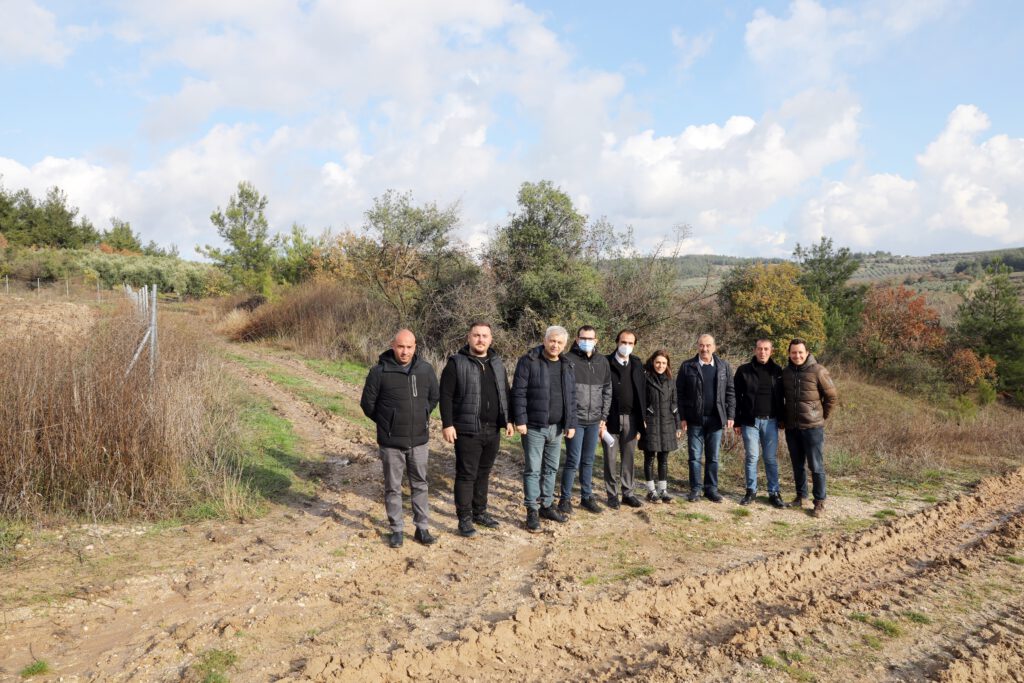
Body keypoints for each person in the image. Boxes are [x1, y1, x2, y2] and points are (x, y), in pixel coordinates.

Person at [360, 329, 440, 548]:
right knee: (393, 487)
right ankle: (396, 530)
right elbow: (367, 404)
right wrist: (387, 422)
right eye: (401, 347)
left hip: (419, 441)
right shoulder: (379, 371)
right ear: (393, 346)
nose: (405, 352)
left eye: (409, 347)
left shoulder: (425, 369)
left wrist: (423, 414)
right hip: (391, 443)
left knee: (420, 484)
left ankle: (422, 528)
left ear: (415, 347)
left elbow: (434, 397)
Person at [439, 322, 514, 538]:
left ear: (491, 339)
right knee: (466, 474)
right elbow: (445, 395)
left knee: (484, 472)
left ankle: (480, 512)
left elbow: (505, 392)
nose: (480, 339)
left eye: (484, 336)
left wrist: (509, 420)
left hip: (493, 429)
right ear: (469, 338)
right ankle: (464, 518)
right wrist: (447, 424)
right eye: (476, 335)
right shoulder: (456, 363)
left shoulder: (497, 363)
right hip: (467, 430)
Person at [511, 325, 577, 533]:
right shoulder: (529, 361)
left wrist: (571, 423)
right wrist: (520, 420)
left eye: (559, 342)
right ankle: (532, 509)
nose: (555, 345)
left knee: (551, 468)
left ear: (565, 345)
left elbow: (571, 397)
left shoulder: (567, 365)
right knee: (533, 469)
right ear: (545, 340)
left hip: (557, 428)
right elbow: (518, 392)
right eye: (552, 340)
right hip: (533, 426)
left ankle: (547, 505)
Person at [781, 338, 838, 517]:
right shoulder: (786, 372)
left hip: (813, 428)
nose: (797, 355)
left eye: (800, 352)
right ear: (789, 353)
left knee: (816, 466)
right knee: (797, 465)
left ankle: (819, 502)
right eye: (793, 352)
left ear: (807, 353)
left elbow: (831, 397)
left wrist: (821, 416)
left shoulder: (818, 371)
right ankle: (801, 496)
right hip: (792, 428)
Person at [557, 325, 611, 515]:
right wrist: (568, 419)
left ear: (596, 340)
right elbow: (564, 392)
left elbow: (607, 390)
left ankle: (586, 497)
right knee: (573, 460)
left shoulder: (602, 361)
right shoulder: (568, 360)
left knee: (588, 460)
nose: (587, 341)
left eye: (590, 339)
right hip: (576, 420)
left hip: (595, 420)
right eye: (583, 338)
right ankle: (564, 499)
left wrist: (603, 416)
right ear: (577, 339)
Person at [677, 333, 735, 503]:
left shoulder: (724, 366)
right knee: (694, 457)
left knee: (713, 457)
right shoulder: (687, 366)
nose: (705, 349)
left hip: (716, 419)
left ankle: (711, 489)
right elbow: (679, 394)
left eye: (708, 345)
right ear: (697, 346)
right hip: (694, 419)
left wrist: (731, 414)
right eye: (702, 345)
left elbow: (730, 392)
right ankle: (695, 489)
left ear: (714, 347)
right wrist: (682, 417)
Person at [733, 339, 786, 508]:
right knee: (752, 457)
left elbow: (782, 398)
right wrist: (736, 421)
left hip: (771, 421)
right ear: (755, 350)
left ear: (771, 351)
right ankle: (751, 491)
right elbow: (735, 397)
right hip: (750, 422)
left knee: (770, 458)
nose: (762, 352)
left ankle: (774, 493)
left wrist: (782, 419)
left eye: (766, 349)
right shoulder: (744, 370)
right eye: (760, 349)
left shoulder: (778, 371)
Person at [602, 329, 647, 509]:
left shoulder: (637, 363)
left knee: (629, 457)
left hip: (631, 419)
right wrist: (600, 419)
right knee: (610, 458)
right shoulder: (605, 362)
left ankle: (628, 493)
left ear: (634, 345)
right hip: (609, 419)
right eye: (623, 342)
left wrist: (642, 419)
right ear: (617, 342)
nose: (626, 346)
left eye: (630, 343)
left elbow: (642, 392)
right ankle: (612, 494)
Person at [638, 350, 681, 503]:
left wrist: (678, 425)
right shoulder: (645, 378)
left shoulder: (671, 381)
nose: (660, 365)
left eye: (663, 363)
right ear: (652, 362)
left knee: (663, 459)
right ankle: (651, 491)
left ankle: (663, 490)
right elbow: (640, 403)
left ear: (667, 364)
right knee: (649, 458)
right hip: (650, 423)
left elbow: (674, 404)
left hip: (668, 424)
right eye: (658, 362)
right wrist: (641, 421)